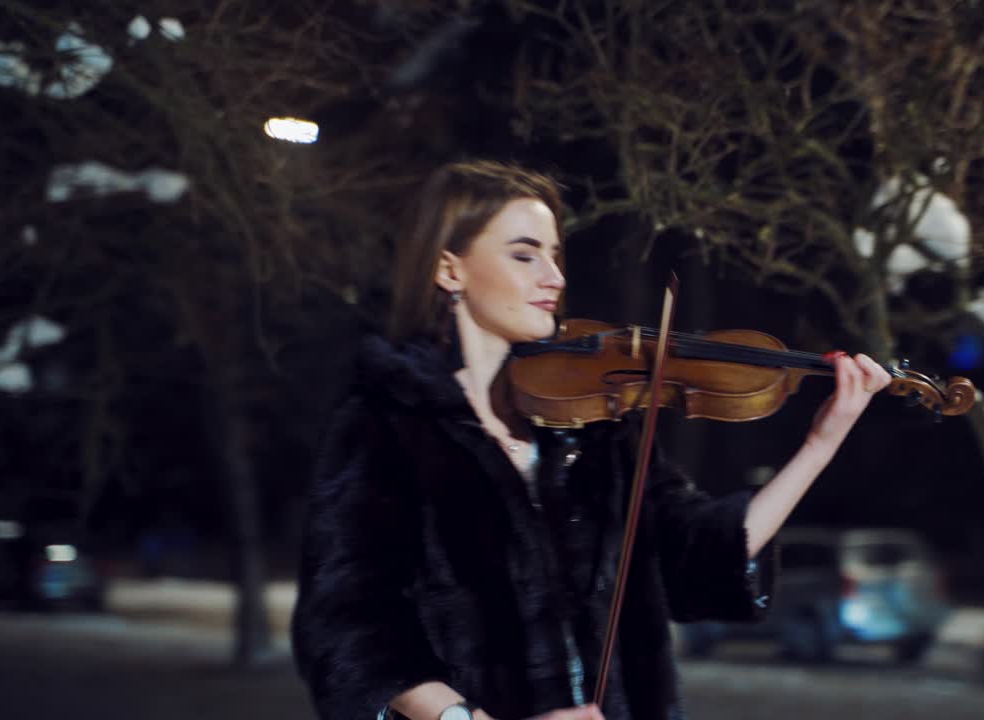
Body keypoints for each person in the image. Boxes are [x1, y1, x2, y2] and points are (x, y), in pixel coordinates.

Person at [291, 160, 892, 720]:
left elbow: (694, 556)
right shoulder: (387, 420)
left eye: (555, 255)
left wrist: (821, 443)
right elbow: (348, 626)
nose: (555, 277)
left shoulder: (595, 420)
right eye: (525, 256)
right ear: (450, 268)